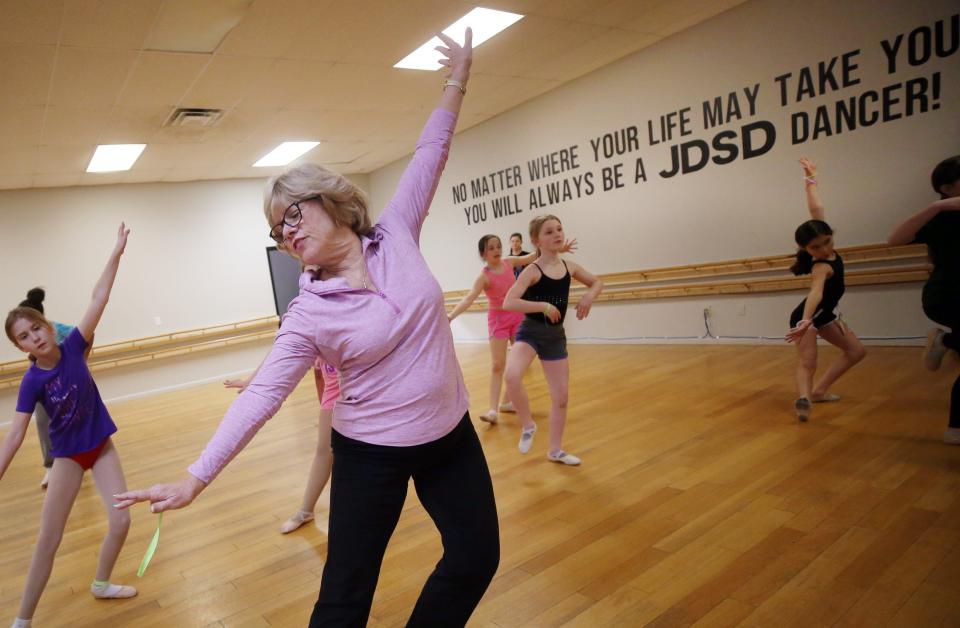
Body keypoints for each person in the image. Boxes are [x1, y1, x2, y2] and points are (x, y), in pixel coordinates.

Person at [115, 29, 500, 627]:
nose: (287, 233)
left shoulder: (396, 232)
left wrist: (457, 79)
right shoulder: (308, 312)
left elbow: (431, 152)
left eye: (292, 214)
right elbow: (265, 394)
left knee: (477, 558)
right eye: (277, 230)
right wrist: (195, 478)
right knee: (345, 597)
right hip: (370, 454)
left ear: (331, 200)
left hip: (450, 436)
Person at [1, 224, 136, 628]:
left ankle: (101, 583)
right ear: (21, 347)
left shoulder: (76, 344)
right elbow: (15, 433)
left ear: (47, 325)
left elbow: (100, 296)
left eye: (36, 327)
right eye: (24, 337)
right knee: (49, 540)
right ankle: (23, 620)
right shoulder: (32, 382)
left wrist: (116, 253)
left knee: (122, 520)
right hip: (69, 458)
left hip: (102, 445)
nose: (34, 337)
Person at [502, 214, 603, 465]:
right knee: (512, 375)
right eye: (549, 232)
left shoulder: (570, 267)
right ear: (537, 240)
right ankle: (528, 425)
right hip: (530, 333)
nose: (557, 234)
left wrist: (589, 296)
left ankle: (555, 450)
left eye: (559, 229)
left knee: (561, 397)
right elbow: (509, 302)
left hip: (555, 337)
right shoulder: (531, 270)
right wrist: (543, 306)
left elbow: (597, 282)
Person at [447, 234, 575, 424]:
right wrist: (450, 316)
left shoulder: (509, 262)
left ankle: (506, 402)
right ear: (483, 253)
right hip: (498, 320)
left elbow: (532, 257)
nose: (496, 250)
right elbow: (469, 298)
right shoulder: (483, 277)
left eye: (498, 246)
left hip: (518, 317)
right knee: (497, 365)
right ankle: (492, 410)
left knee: (521, 362)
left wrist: (557, 249)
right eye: (491, 248)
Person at [785, 158, 866, 421]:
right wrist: (806, 322)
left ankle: (819, 391)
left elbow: (817, 209)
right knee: (808, 363)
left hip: (824, 316)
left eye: (827, 242)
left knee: (856, 351)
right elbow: (816, 294)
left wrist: (811, 178)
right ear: (806, 250)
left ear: (830, 235)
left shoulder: (822, 237)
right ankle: (804, 400)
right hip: (808, 317)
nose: (824, 249)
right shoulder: (821, 267)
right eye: (816, 248)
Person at [888, 155, 960, 443]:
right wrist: (936, 207)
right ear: (946, 187)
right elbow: (895, 239)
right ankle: (947, 341)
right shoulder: (940, 218)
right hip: (946, 297)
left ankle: (955, 428)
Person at [224, 357, 339, 533]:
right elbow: (280, 352)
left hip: (365, 396)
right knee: (324, 452)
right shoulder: (313, 333)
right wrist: (252, 380)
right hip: (334, 395)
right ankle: (306, 511)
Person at [17, 288, 80, 490]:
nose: (32, 337)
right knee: (43, 420)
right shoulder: (31, 348)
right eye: (24, 334)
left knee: (72, 421)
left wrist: (75, 362)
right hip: (44, 385)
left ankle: (78, 458)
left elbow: (80, 336)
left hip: (68, 385)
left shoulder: (55, 329)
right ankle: (51, 466)